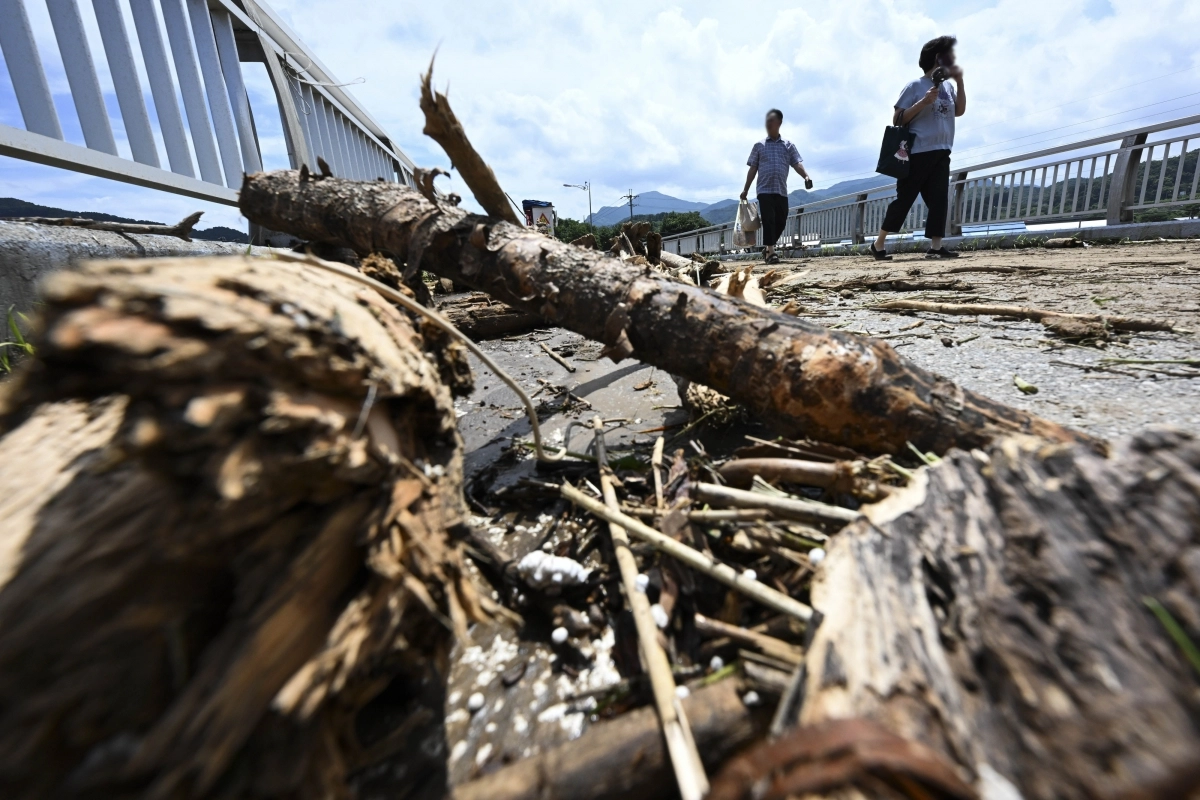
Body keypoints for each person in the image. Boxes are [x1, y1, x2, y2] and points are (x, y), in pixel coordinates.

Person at [870, 35, 966, 261]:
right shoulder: (914, 86)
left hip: (942, 150)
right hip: (917, 153)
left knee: (940, 199)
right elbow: (898, 118)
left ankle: (935, 247)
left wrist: (960, 82)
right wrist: (922, 102)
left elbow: (959, 111)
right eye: (949, 54)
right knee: (904, 199)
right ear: (937, 58)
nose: (953, 59)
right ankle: (879, 243)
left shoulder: (949, 87)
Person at [740, 109, 813, 264]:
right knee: (769, 219)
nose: (768, 123)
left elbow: (796, 163)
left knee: (781, 220)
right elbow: (753, 168)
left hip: (781, 190)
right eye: (767, 120)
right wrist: (745, 190)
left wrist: (806, 176)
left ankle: (767, 248)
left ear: (779, 123)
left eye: (771, 120)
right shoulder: (759, 145)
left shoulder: (788, 145)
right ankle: (772, 252)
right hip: (764, 190)